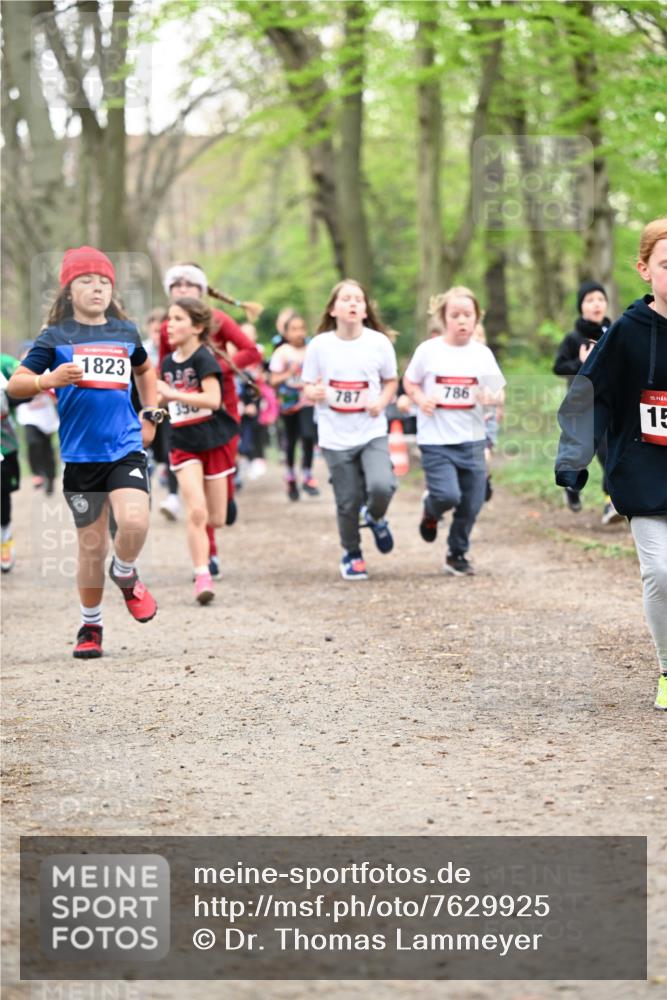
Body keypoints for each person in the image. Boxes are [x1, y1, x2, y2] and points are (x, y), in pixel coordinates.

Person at [7, 246, 159, 658]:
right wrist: (48, 380)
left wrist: (150, 415)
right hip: (79, 457)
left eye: (104, 281)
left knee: (135, 521)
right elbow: (16, 384)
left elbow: (145, 370)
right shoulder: (54, 338)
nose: (97, 288)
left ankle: (125, 573)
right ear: (68, 290)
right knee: (91, 547)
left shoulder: (126, 333)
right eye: (86, 281)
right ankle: (90, 626)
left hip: (125, 448)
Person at [556, 217, 667, 711]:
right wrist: (574, 457)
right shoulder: (626, 331)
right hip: (645, 471)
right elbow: (589, 394)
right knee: (661, 573)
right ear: (645, 270)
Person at [158, 262, 262, 575]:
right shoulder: (171, 326)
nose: (183, 290)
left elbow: (251, 351)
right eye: (177, 286)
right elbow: (167, 365)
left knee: (221, 473)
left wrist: (216, 367)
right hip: (186, 412)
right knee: (197, 495)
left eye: (189, 285)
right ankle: (209, 554)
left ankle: (227, 495)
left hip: (221, 405)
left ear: (202, 290)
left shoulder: (219, 320)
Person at [403, 286, 506, 576]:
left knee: (472, 502)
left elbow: (500, 393)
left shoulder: (482, 354)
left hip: (472, 440)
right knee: (448, 495)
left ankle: (455, 553)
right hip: (436, 439)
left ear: (476, 319)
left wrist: (491, 398)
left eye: (467, 315)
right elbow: (409, 383)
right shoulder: (429, 351)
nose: (462, 321)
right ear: (443, 318)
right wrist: (421, 399)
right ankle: (431, 508)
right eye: (455, 315)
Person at [302, 279, 398, 581]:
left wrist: (380, 402)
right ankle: (352, 553)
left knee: (382, 485)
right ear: (333, 309)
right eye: (346, 299)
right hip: (334, 434)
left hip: (370, 429)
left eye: (359, 299)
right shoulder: (319, 345)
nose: (353, 303)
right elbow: (307, 385)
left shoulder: (379, 343)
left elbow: (391, 381)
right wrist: (313, 392)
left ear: (366, 308)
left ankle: (375, 516)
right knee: (347, 500)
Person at [157, 298, 239, 604]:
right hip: (183, 443)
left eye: (178, 318)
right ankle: (202, 574)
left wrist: (173, 393)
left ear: (197, 327)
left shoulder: (205, 358)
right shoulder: (166, 363)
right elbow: (162, 399)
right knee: (197, 511)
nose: (170, 324)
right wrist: (157, 405)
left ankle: (227, 499)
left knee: (217, 518)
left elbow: (214, 400)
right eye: (169, 318)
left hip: (214, 441)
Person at [553, 280, 619, 523]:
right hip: (582, 404)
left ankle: (610, 502)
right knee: (582, 452)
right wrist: (580, 363)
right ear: (581, 306)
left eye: (600, 299)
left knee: (610, 451)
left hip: (610, 402)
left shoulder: (614, 333)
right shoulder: (573, 338)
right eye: (590, 300)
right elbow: (558, 367)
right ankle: (571, 487)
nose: (596, 304)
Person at [269, 312, 320, 500]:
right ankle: (290, 475)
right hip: (288, 402)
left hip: (308, 400)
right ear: (286, 333)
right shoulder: (282, 352)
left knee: (308, 435)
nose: (298, 333)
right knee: (291, 440)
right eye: (294, 329)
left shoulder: (312, 349)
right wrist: (288, 373)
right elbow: (273, 380)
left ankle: (307, 474)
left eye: (301, 329)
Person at [1, 353, 20, 573]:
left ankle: (4, 537)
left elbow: (28, 391)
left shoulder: (5, 364)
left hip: (3, 440)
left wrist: (8, 393)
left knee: (1, 490)